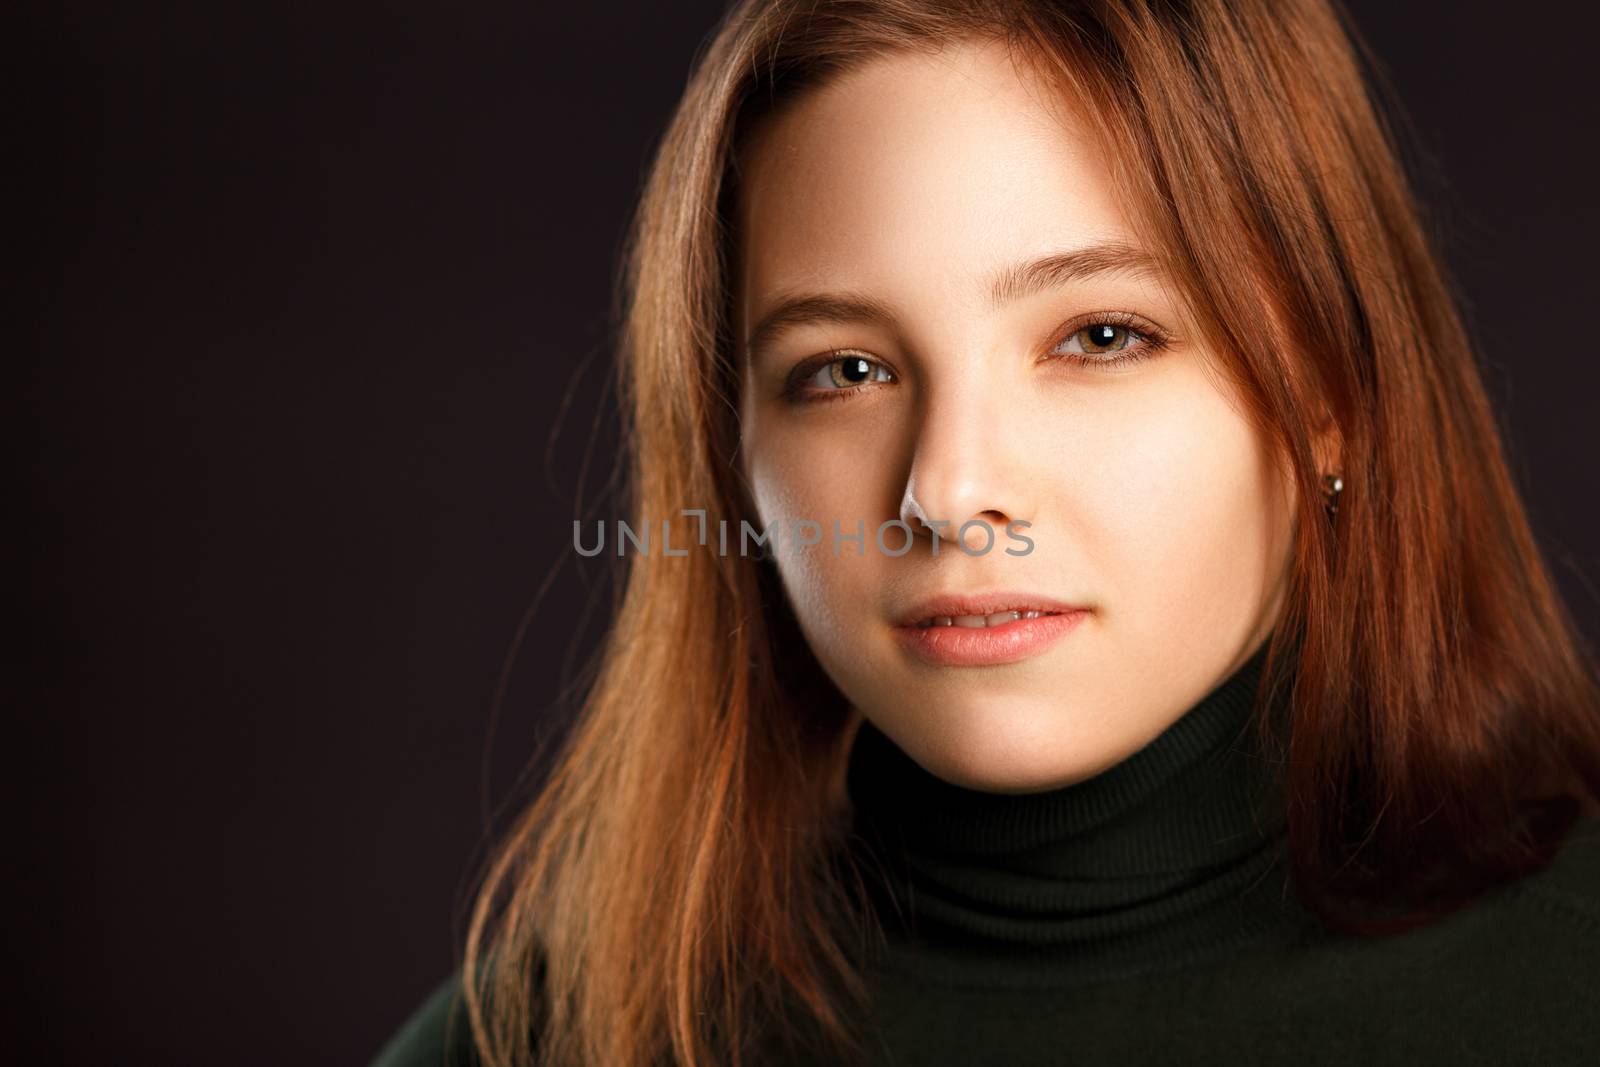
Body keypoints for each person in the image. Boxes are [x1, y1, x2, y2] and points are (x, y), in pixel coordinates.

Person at [370, 2, 1600, 1064]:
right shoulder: (559, 1032)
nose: (948, 493)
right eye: (843, 368)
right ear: (729, 449)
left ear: (1329, 394)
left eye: (1100, 337)